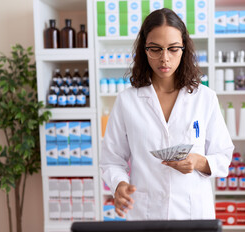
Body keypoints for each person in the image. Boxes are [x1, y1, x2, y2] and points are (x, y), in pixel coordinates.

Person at [100, 8, 234, 220]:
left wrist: (198, 162)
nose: (165, 58)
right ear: (144, 50)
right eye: (155, 49)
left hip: (193, 214)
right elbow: (111, 159)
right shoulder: (127, 101)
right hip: (145, 213)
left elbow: (224, 155)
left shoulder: (204, 98)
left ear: (183, 49)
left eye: (173, 49)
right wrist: (120, 184)